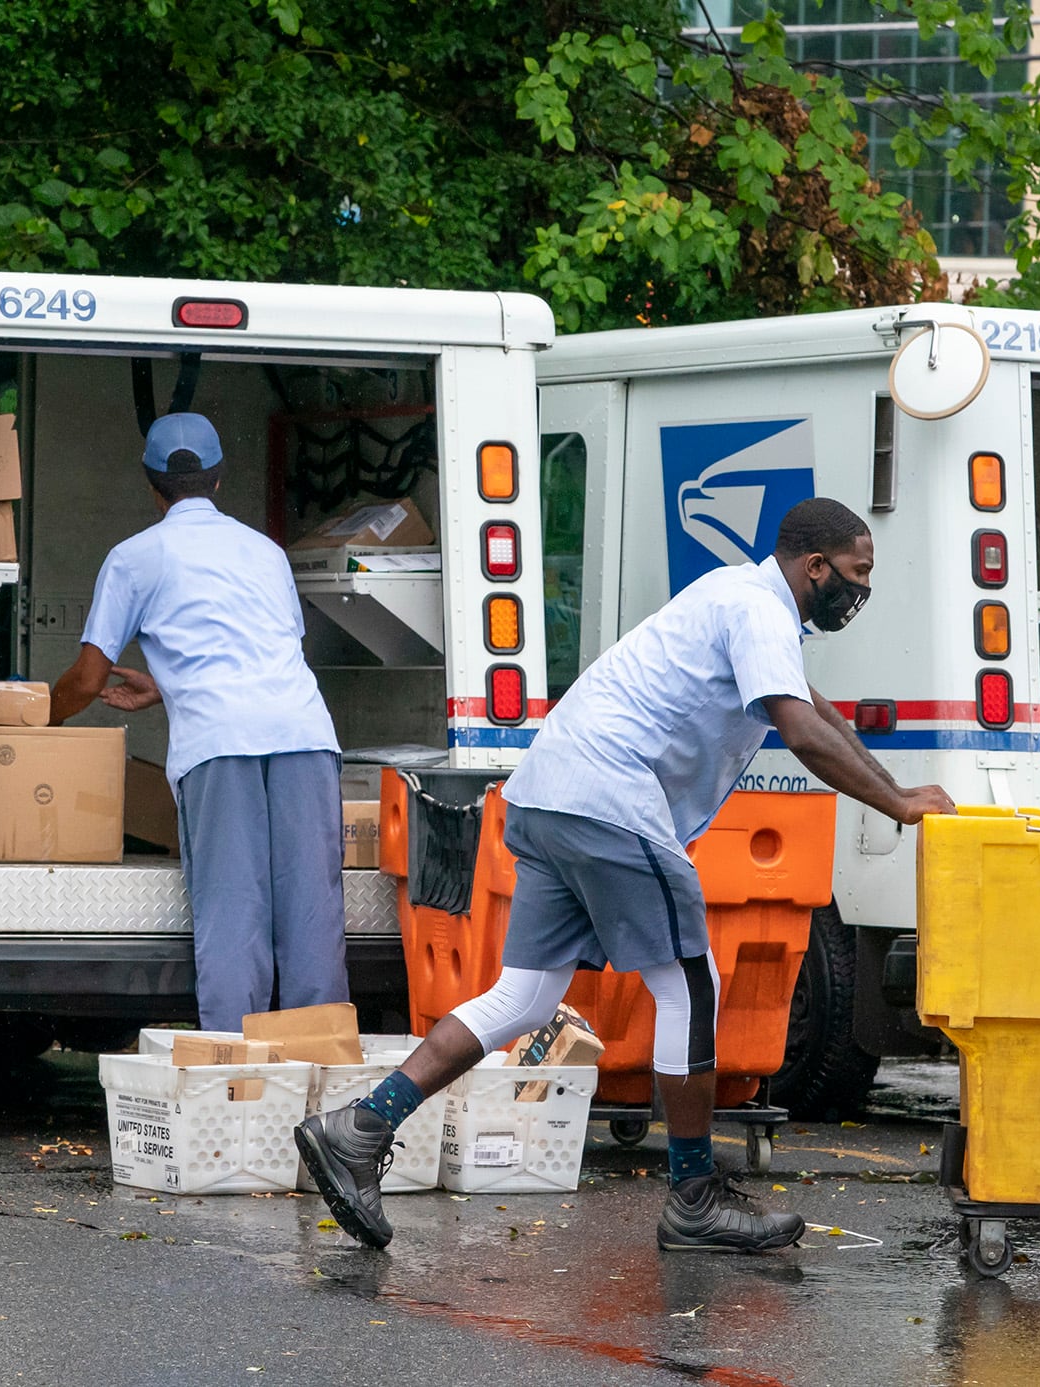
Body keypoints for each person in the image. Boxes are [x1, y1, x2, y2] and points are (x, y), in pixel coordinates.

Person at [296, 497, 954, 1253]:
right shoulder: (757, 610)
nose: (861, 589)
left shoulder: (738, 597)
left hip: (547, 794)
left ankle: (359, 1125)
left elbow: (813, 708)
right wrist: (898, 801)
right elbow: (802, 732)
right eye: (857, 572)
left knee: (525, 994)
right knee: (690, 982)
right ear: (816, 566)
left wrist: (901, 788)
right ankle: (695, 1192)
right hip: (609, 797)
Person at [49, 412, 348, 1031]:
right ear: (218, 480)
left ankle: (237, 1085)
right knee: (312, 917)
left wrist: (28, 724)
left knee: (235, 915)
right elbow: (264, 653)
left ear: (150, 484)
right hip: (304, 735)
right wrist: (168, 686)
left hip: (219, 745)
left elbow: (85, 678)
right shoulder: (264, 551)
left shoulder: (135, 558)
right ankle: (320, 1078)